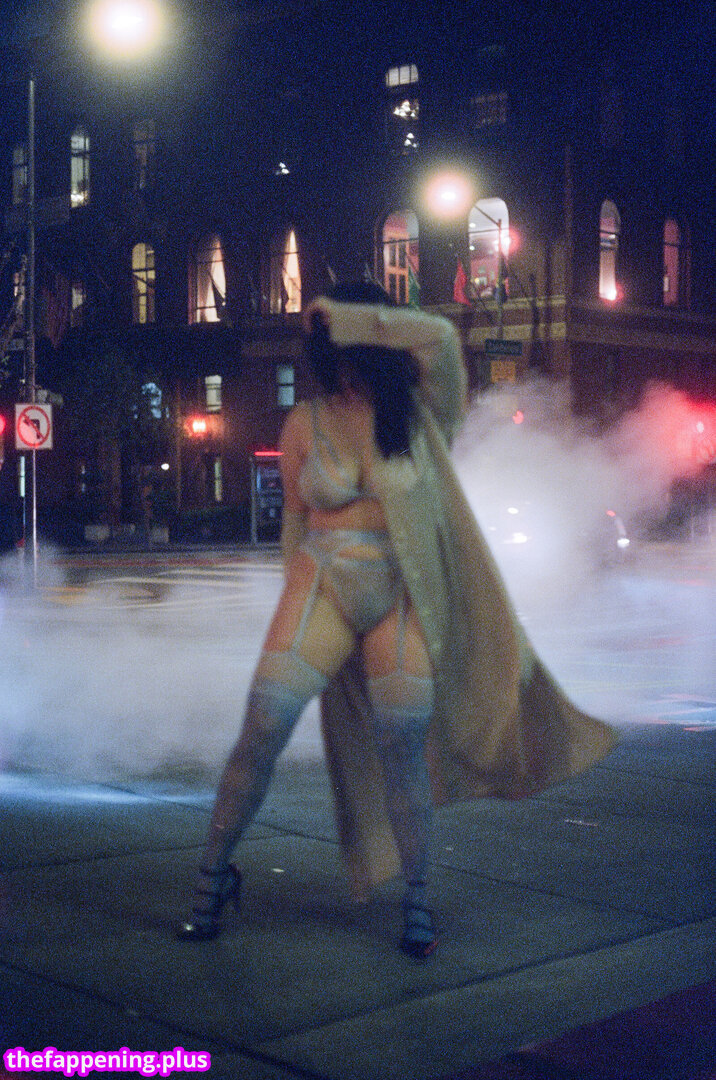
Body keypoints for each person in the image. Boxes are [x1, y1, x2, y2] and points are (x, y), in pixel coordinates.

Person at [177, 281, 617, 958]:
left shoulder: (423, 414)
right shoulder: (305, 422)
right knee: (263, 724)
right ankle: (212, 877)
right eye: (330, 348)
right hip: (323, 584)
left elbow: (438, 337)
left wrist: (347, 315)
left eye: (347, 345)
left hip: (404, 593)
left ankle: (416, 896)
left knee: (402, 741)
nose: (339, 360)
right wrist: (291, 603)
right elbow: (295, 522)